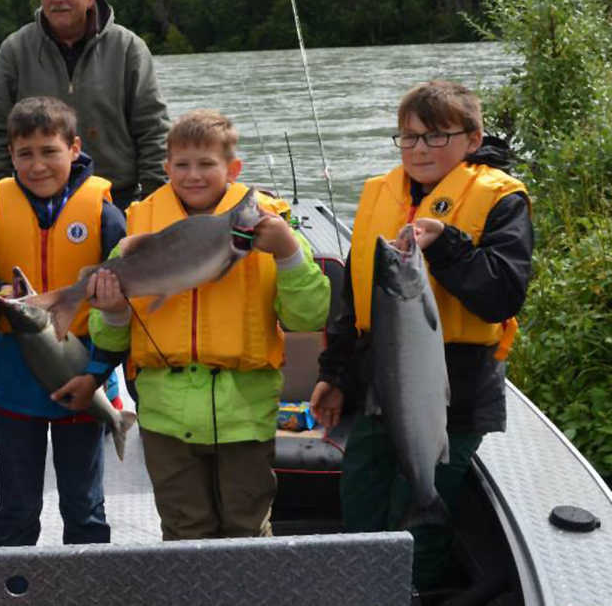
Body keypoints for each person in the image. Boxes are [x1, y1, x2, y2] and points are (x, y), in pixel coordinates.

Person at [309, 80, 533, 593]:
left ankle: (419, 592)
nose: (418, 150)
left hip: (457, 391)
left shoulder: (502, 201)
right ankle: (362, 592)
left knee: (422, 521)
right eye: (408, 138)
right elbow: (354, 301)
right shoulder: (377, 194)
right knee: (362, 497)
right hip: (379, 388)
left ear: (472, 139)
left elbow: (502, 295)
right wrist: (336, 375)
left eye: (435, 137)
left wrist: (447, 244)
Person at [88, 109, 331, 540]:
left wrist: (289, 253)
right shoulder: (139, 222)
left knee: (247, 530)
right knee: (184, 531)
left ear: (233, 169)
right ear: (165, 169)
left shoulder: (272, 222)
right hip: (165, 415)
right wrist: (110, 308)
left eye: (206, 164)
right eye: (181, 165)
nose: (192, 175)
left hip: (247, 414)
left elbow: (307, 316)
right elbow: (109, 336)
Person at [0, 96, 127, 546]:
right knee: (16, 505)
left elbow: (129, 288)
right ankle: (11, 585)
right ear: (11, 156)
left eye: (49, 151)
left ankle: (88, 587)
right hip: (16, 371)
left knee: (84, 504)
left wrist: (105, 371)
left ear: (74, 148)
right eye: (25, 154)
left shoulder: (105, 214)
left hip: (84, 368)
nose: (37, 165)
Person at [0, 0, 171, 211]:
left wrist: (154, 199)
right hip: (34, 198)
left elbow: (153, 128)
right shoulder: (15, 49)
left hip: (117, 196)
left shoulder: (129, 48)